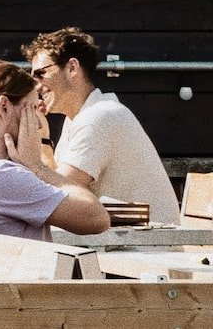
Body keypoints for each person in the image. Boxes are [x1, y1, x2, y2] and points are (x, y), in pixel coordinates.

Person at [0, 59, 109, 241]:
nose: (39, 123)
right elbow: (97, 218)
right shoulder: (0, 176)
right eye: (32, 109)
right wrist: (37, 166)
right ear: (4, 106)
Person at [24, 27, 180, 224]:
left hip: (150, 249)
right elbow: (59, 183)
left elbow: (59, 195)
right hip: (129, 241)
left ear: (72, 68)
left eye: (40, 74)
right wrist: (43, 140)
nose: (35, 86)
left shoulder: (99, 116)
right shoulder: (82, 116)